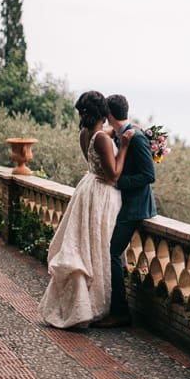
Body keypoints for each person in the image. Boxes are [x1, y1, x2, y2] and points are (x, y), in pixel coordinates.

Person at [38, 91, 134, 328]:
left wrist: (118, 133)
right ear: (104, 112)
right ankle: (99, 305)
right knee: (99, 246)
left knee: (87, 246)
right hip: (103, 193)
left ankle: (83, 302)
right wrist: (124, 147)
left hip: (87, 190)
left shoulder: (86, 134)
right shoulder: (102, 137)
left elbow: (95, 156)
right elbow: (112, 175)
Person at [90, 93, 157, 328]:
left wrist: (118, 183)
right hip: (122, 205)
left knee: (111, 253)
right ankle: (113, 306)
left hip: (135, 208)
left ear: (108, 115)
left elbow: (149, 176)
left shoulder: (135, 138)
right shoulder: (122, 134)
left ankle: (120, 311)